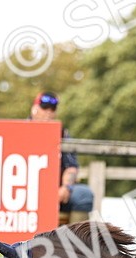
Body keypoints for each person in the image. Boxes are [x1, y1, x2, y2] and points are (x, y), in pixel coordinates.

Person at [29, 91, 95, 225]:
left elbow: (71, 166)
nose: (48, 112)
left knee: (83, 195)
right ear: (34, 109)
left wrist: (66, 187)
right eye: (44, 107)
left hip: (55, 190)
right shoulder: (19, 129)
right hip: (25, 191)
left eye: (52, 109)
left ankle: (76, 244)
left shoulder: (62, 133)